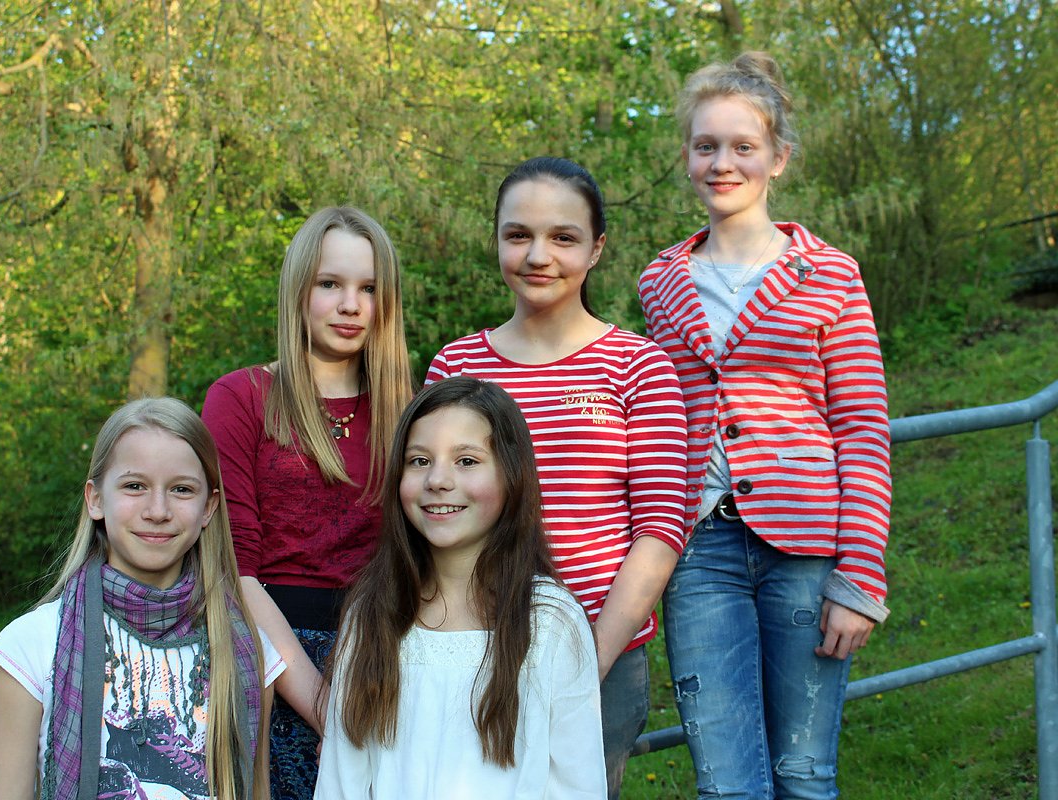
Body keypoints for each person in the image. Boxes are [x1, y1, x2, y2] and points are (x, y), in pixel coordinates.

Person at [637, 51, 893, 799]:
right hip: (699, 550)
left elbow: (863, 428)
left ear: (777, 157)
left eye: (742, 146)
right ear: (688, 157)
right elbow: (661, 420)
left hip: (807, 548)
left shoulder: (830, 273)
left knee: (804, 776)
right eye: (705, 146)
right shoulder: (661, 281)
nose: (723, 163)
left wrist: (861, 575)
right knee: (726, 785)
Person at [426, 157, 689, 798]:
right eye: (518, 235)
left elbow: (660, 528)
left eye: (563, 237)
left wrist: (583, 665)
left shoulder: (637, 366)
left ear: (596, 249)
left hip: (598, 653)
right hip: (470, 649)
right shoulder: (456, 366)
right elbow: (432, 513)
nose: (538, 255)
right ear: (497, 240)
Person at [201, 207, 414, 799]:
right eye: (330, 284)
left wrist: (362, 686)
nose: (350, 305)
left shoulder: (409, 411)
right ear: (298, 289)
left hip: (382, 654)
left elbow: (420, 559)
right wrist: (323, 705)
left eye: (368, 288)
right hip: (266, 655)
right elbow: (231, 567)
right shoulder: (240, 398)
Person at [315, 376, 605, 798]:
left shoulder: (548, 620)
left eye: (466, 461)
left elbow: (578, 784)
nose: (437, 480)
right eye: (419, 460)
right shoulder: (374, 611)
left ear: (512, 475)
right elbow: (341, 782)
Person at [0, 397, 284, 800]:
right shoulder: (31, 646)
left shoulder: (247, 648)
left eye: (181, 489)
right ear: (95, 499)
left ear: (208, 508)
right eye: (134, 486)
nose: (157, 511)